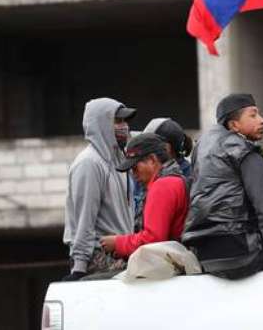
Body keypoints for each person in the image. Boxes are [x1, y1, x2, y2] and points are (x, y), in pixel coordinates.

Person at [182, 93, 263, 279]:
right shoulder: (245, 151)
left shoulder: (202, 148)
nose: (262, 121)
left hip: (205, 255)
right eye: (253, 115)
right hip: (241, 252)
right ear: (233, 125)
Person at [62, 98, 136, 281]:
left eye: (125, 121)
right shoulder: (89, 163)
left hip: (122, 253)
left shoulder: (120, 160)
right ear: (101, 124)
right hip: (98, 257)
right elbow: (84, 217)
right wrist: (79, 267)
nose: (124, 126)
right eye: (117, 121)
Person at [99, 133, 189, 259]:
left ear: (152, 160)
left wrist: (118, 243)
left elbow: (153, 240)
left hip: (168, 266)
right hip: (177, 260)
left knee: (89, 278)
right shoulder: (175, 179)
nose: (133, 174)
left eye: (135, 168)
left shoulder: (162, 186)